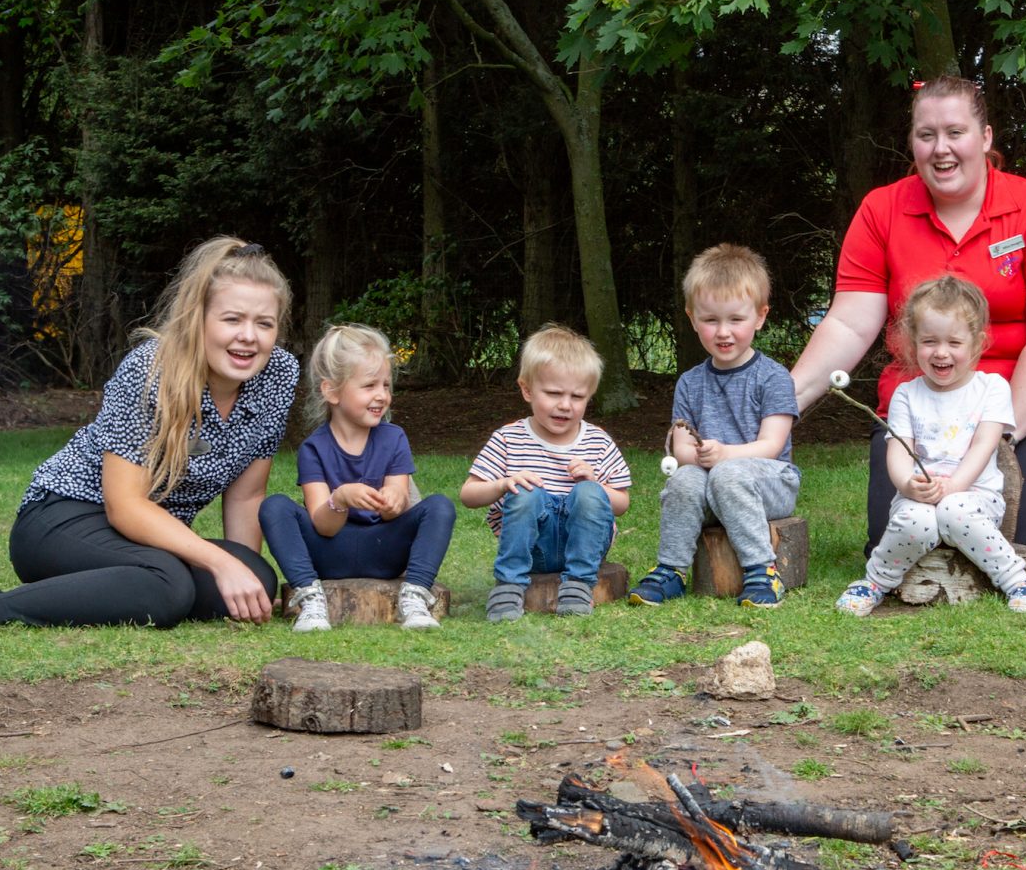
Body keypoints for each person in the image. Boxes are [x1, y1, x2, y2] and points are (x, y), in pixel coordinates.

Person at [0, 237, 297, 646]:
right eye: (232, 320)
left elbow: (246, 496)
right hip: (64, 519)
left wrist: (242, 579)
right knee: (170, 586)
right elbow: (125, 505)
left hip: (146, 540)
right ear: (198, 318)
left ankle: (108, 591)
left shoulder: (279, 374)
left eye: (264, 323)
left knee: (256, 573)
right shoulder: (151, 370)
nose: (249, 337)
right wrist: (217, 562)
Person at [789, 76, 1026, 583]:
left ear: (986, 138)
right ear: (912, 142)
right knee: (897, 542)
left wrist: (992, 438)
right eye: (926, 134)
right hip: (921, 408)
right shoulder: (882, 210)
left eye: (956, 132)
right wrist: (778, 410)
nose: (941, 148)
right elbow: (847, 322)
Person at [834, 276, 1026, 616]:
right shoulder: (907, 394)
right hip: (919, 496)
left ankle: (1016, 580)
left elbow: (984, 444)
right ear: (913, 342)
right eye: (929, 341)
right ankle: (874, 582)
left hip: (975, 497)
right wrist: (907, 484)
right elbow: (901, 451)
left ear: (977, 343)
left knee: (954, 509)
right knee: (916, 520)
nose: (941, 352)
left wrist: (956, 486)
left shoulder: (991, 389)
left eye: (954, 342)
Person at [628, 245, 800, 609]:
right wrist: (699, 456)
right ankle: (671, 570)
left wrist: (724, 455)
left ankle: (762, 571)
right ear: (692, 318)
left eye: (736, 320)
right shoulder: (690, 383)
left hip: (771, 483)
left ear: (760, 316)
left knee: (728, 475)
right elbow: (682, 450)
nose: (723, 332)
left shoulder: (772, 377)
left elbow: (771, 445)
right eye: (711, 320)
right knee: (683, 479)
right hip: (711, 483)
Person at [258, 323, 456, 632]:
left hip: (384, 550)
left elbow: (397, 503)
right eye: (369, 386)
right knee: (275, 507)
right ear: (331, 391)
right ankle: (310, 599)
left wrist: (393, 500)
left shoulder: (394, 438)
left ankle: (415, 596)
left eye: (386, 385)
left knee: (441, 506)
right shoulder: (314, 448)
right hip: (330, 553)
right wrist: (340, 498)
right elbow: (323, 525)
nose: (382, 396)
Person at [460, 325, 632, 621]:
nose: (565, 405)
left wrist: (596, 483)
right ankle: (509, 585)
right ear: (527, 389)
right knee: (525, 491)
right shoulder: (508, 438)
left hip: (585, 547)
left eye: (577, 397)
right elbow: (468, 495)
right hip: (531, 549)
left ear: (589, 396)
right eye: (553, 393)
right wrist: (504, 483)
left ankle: (578, 584)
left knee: (590, 492)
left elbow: (622, 504)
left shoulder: (598, 441)